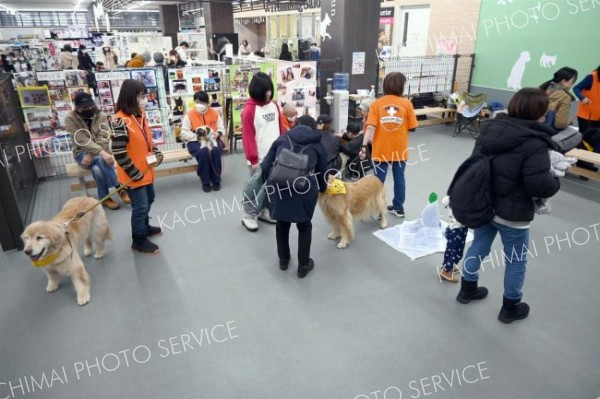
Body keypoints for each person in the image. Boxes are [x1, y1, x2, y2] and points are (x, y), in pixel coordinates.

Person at [456, 88, 561, 324]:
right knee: (516, 260)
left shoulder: (489, 129)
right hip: (513, 214)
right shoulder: (535, 143)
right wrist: (555, 180)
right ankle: (510, 307)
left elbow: (475, 163)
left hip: (485, 203)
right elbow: (538, 186)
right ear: (539, 114)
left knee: (479, 246)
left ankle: (467, 289)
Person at [261, 116, 328, 278]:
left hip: (278, 188)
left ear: (296, 125)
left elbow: (265, 166)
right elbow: (322, 172)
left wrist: (269, 185)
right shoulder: (318, 145)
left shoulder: (282, 139)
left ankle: (283, 260)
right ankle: (303, 266)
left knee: (282, 224)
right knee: (304, 226)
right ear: (313, 129)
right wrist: (323, 188)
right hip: (304, 191)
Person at [111, 79, 164, 255]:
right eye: (140, 96)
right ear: (130, 97)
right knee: (140, 206)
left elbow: (147, 141)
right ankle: (138, 239)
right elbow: (118, 152)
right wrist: (133, 173)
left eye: (144, 95)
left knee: (150, 199)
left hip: (146, 171)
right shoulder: (120, 121)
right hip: (133, 174)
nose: (144, 99)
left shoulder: (140, 116)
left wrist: (156, 152)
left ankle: (145, 226)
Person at [359, 72, 418, 218]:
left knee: (378, 181)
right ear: (401, 86)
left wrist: (363, 147)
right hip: (399, 150)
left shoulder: (377, 104)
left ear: (385, 85)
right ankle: (398, 208)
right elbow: (413, 127)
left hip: (381, 150)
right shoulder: (407, 103)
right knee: (399, 178)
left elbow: (370, 127)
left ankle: (379, 211)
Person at [65, 92, 130, 210]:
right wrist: (100, 152)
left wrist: (93, 153)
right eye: (84, 107)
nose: (89, 109)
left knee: (97, 168)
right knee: (101, 159)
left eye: (90, 105)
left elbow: (104, 137)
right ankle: (120, 188)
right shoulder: (70, 119)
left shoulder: (101, 115)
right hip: (81, 153)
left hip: (100, 152)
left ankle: (104, 198)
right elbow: (81, 140)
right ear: (77, 107)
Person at [241, 72, 285, 232]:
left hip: (275, 156)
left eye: (270, 90)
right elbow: (248, 137)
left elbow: (281, 128)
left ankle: (264, 211)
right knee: (255, 188)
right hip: (258, 159)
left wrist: (284, 148)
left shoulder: (274, 105)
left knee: (270, 187)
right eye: (265, 91)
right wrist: (253, 160)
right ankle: (248, 215)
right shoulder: (249, 111)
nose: (269, 93)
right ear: (257, 91)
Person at [180, 91, 225, 192]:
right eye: (197, 102)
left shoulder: (215, 113)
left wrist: (218, 133)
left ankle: (216, 179)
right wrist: (197, 137)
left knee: (215, 150)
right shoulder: (190, 114)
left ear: (207, 103)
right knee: (203, 151)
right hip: (194, 141)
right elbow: (183, 133)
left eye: (202, 102)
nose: (199, 105)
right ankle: (205, 181)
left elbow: (221, 128)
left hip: (212, 139)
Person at [539, 67, 578, 131]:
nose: (572, 85)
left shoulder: (541, 89)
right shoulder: (565, 97)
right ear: (563, 81)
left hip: (530, 128)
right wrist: (568, 122)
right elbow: (560, 124)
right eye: (572, 82)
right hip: (546, 133)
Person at [438, 196, 466, 283]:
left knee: (450, 249)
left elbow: (444, 200)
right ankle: (445, 271)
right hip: (459, 230)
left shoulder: (453, 197)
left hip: (451, 229)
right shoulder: (463, 203)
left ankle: (446, 264)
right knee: (457, 253)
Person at [573, 64, 600, 134]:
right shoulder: (591, 77)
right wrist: (582, 98)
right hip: (586, 115)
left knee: (596, 138)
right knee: (585, 137)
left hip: (598, 115)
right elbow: (576, 88)